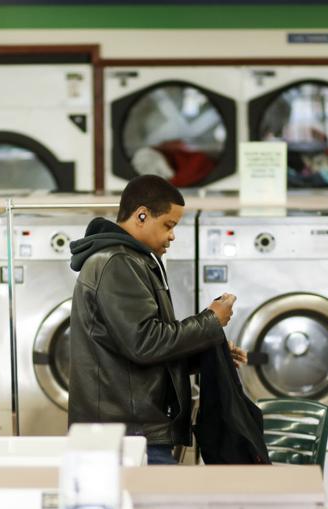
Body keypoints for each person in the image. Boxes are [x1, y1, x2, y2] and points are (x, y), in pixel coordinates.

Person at [67, 175, 245, 465]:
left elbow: (145, 350)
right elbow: (145, 343)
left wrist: (208, 352)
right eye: (168, 225)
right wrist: (210, 320)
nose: (172, 236)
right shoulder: (117, 263)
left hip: (134, 429)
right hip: (127, 434)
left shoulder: (134, 260)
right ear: (141, 215)